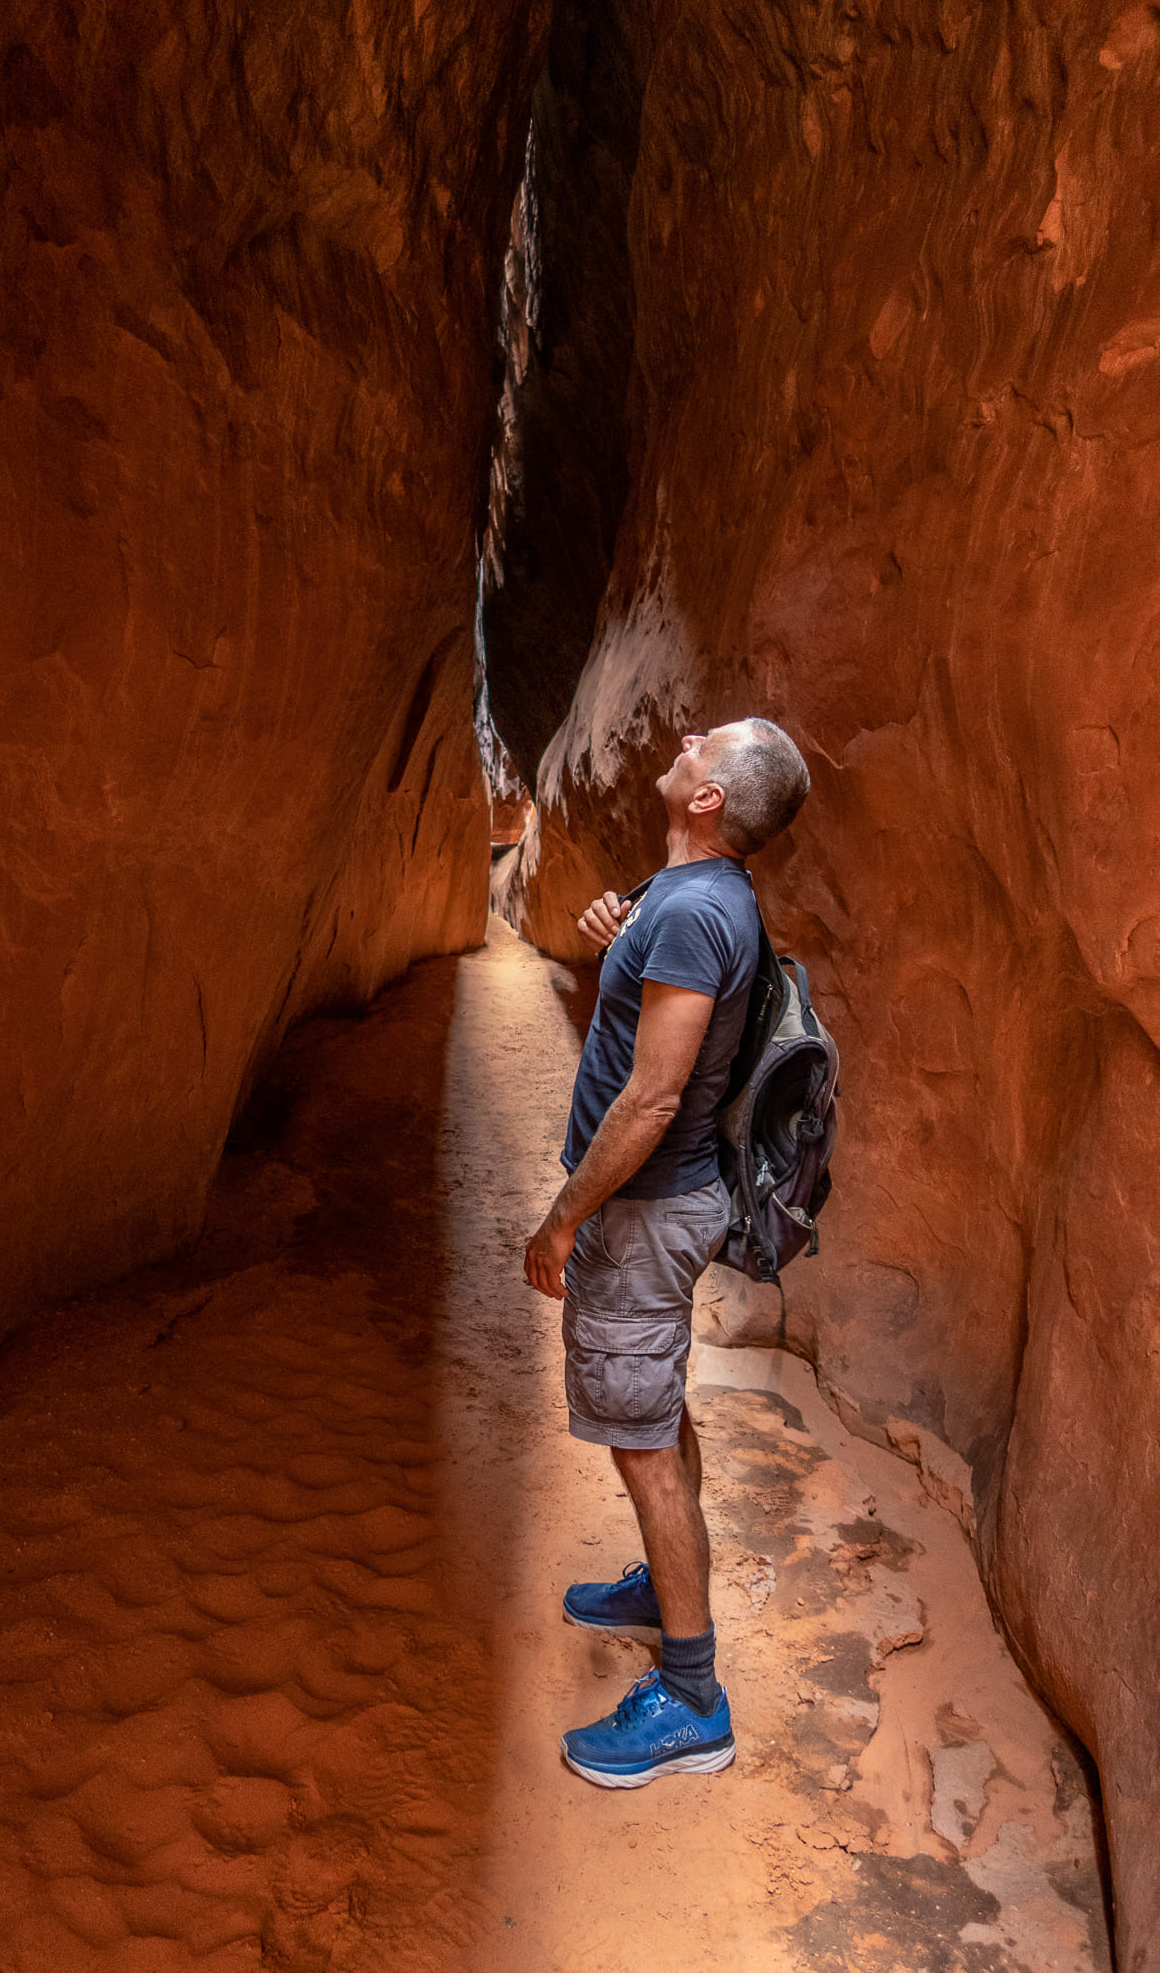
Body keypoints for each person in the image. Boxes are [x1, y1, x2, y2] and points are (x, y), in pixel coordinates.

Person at [523, 717, 811, 1789]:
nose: (686, 736)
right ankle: (660, 1590)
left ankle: (692, 1697)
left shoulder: (695, 910)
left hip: (640, 1211)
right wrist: (617, 929)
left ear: (708, 800)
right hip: (659, 1207)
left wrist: (560, 1220)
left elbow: (649, 1096)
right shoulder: (690, 892)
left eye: (707, 743)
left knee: (639, 1440)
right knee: (654, 1405)